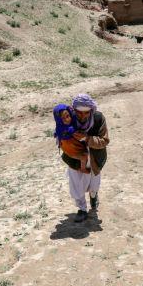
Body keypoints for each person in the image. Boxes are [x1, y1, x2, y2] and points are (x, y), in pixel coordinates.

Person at [61, 94, 109, 222]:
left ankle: (93, 196)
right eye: (79, 113)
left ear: (91, 110)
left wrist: (87, 139)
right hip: (74, 159)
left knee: (94, 185)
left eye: (86, 113)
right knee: (76, 184)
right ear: (74, 110)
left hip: (94, 159)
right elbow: (61, 135)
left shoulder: (98, 118)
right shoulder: (68, 119)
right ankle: (82, 209)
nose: (82, 116)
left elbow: (104, 140)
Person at [53, 104, 90, 173]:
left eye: (67, 116)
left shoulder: (66, 124)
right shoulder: (64, 129)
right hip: (70, 150)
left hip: (73, 146)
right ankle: (83, 169)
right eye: (63, 118)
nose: (67, 119)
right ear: (59, 120)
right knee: (84, 157)